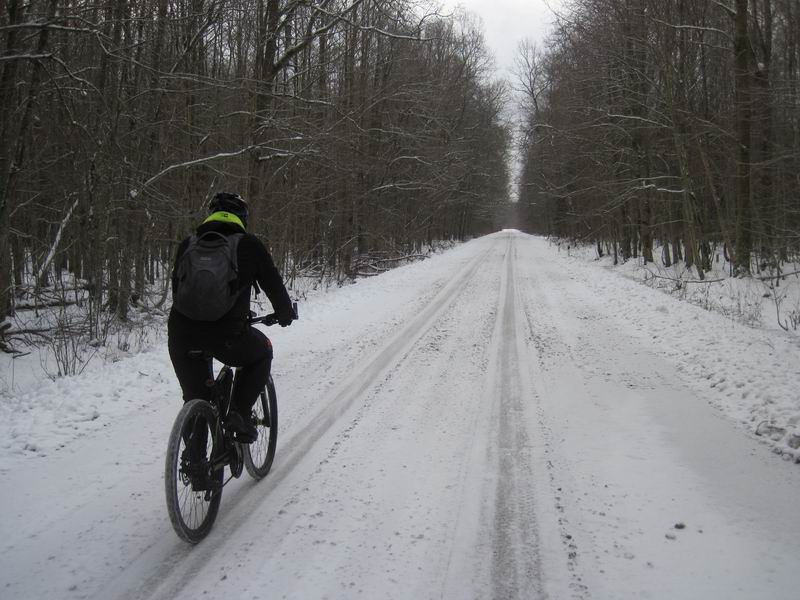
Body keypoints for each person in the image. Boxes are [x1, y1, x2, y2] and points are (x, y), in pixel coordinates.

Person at [168, 192, 295, 444]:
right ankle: (239, 413)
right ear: (242, 218)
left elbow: (177, 291)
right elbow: (273, 285)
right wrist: (285, 313)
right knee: (262, 352)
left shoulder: (188, 244)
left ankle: (195, 462)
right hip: (226, 336)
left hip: (182, 335)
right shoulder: (249, 244)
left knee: (196, 396)